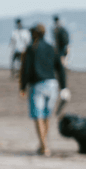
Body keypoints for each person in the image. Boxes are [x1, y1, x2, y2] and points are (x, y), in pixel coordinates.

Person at [20, 24, 67, 157]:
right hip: (52, 85)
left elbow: (26, 69)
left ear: (34, 34)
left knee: (38, 116)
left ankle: (44, 146)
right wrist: (64, 86)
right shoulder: (52, 48)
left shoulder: (31, 49)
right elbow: (60, 68)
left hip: (37, 85)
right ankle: (43, 144)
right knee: (46, 116)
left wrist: (23, 86)